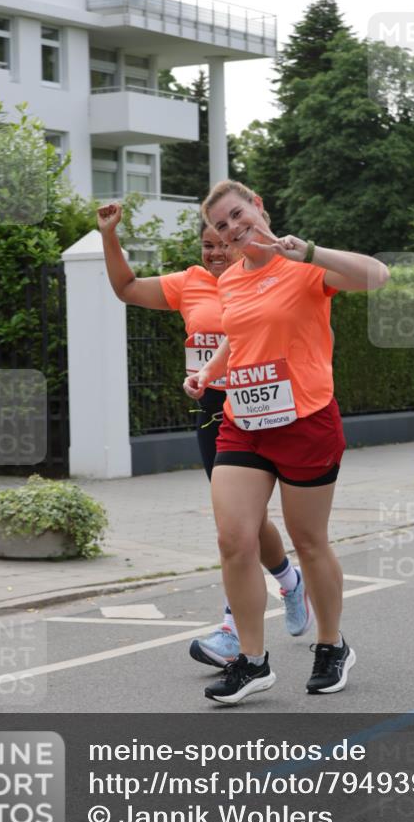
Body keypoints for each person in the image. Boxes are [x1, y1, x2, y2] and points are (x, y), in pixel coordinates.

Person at [184, 180, 390, 705]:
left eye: (236, 216)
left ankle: (331, 645)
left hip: (305, 421)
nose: (231, 230)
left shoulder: (302, 265)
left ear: (257, 206)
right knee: (235, 539)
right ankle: (252, 661)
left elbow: (378, 276)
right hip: (243, 420)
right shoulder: (229, 280)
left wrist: (313, 251)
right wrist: (209, 370)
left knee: (310, 541)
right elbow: (240, 333)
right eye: (221, 227)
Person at [96, 201, 313, 668]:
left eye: (223, 242)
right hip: (215, 412)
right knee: (241, 525)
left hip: (272, 403)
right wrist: (109, 236)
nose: (215, 251)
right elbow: (127, 288)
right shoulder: (190, 283)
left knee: (245, 526)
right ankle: (288, 584)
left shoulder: (267, 276)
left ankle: (239, 627)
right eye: (207, 243)